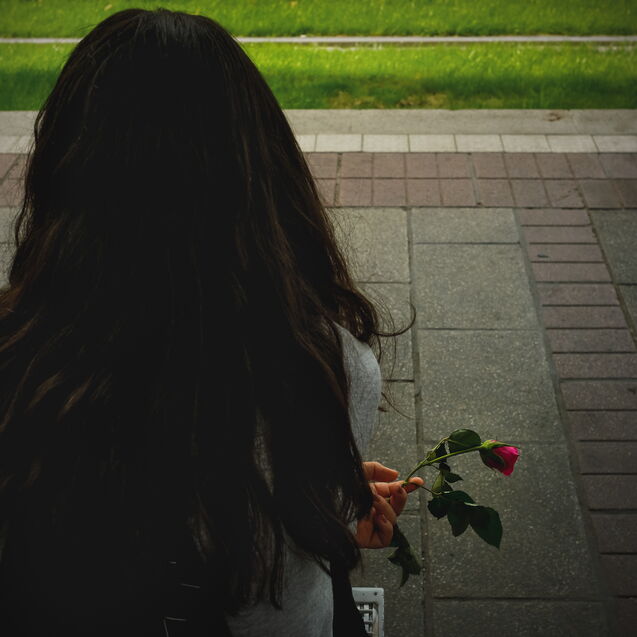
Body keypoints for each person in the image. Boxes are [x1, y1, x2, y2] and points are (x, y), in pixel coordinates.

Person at [0, 8, 422, 636]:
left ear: (65, 168)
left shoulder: (22, 359)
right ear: (263, 172)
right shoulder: (325, 368)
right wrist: (318, 488)